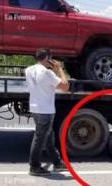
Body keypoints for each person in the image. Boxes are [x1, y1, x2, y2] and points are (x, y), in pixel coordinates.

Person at [25, 48, 70, 176]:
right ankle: (34, 167)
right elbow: (65, 87)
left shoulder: (28, 70)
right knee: (40, 138)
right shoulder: (47, 73)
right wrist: (60, 69)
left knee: (49, 137)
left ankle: (57, 162)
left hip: (35, 108)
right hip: (46, 110)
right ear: (47, 58)